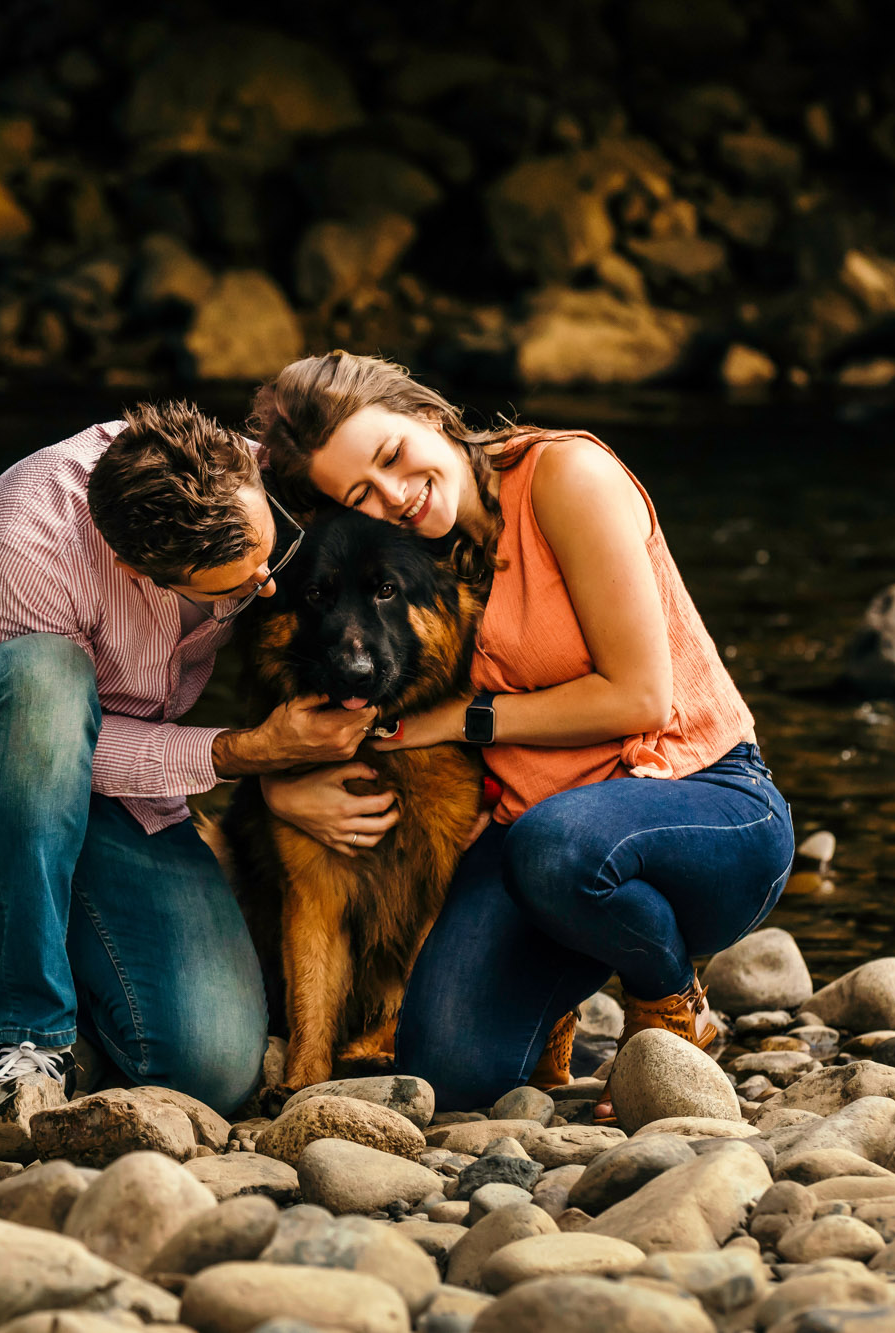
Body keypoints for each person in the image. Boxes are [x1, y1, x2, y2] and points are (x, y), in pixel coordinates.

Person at [252, 352, 794, 1117]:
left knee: (557, 845)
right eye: (360, 495)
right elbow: (348, 701)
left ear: (431, 417)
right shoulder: (411, 551)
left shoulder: (566, 477)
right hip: (535, 835)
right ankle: (558, 998)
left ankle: (670, 1002)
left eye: (393, 457)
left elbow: (641, 695)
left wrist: (464, 720)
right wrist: (280, 785)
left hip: (700, 800)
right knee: (450, 1071)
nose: (394, 496)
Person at [0, 403, 380, 1116]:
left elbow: (396, 467)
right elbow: (56, 745)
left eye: (270, 553)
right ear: (135, 568)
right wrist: (248, 754)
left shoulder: (256, 472)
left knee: (208, 1071)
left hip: (111, 798)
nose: (268, 586)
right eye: (235, 590)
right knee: (45, 673)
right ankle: (31, 1035)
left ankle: (74, 975)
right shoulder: (24, 543)